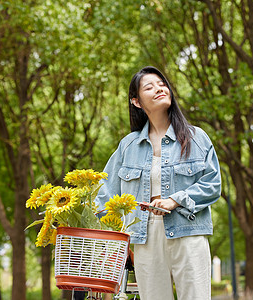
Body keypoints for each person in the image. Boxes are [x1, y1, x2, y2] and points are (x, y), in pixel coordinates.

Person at [95, 66, 221, 300]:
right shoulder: (128, 146)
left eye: (161, 84)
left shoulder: (196, 138)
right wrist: (85, 223)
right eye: (149, 87)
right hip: (144, 237)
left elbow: (212, 185)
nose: (159, 89)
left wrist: (175, 200)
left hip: (188, 231)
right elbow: (104, 194)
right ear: (136, 101)